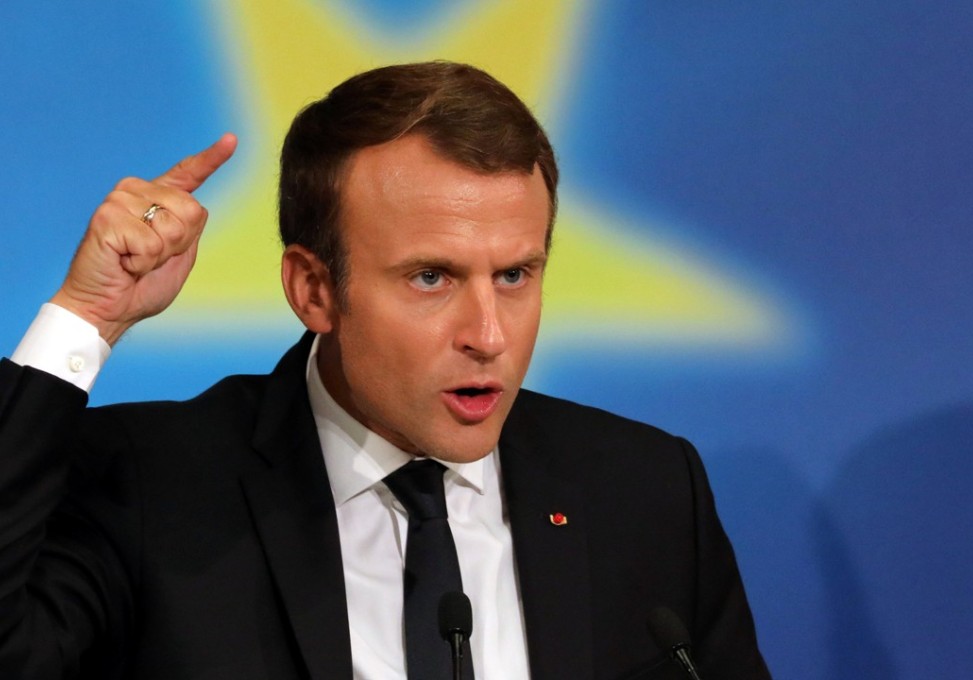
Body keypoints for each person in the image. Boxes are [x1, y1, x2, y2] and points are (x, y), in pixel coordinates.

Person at [0, 62, 770, 679]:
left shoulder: (644, 489)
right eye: (431, 277)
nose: (489, 334)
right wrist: (86, 317)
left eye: (515, 274)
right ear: (315, 289)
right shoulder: (150, 484)